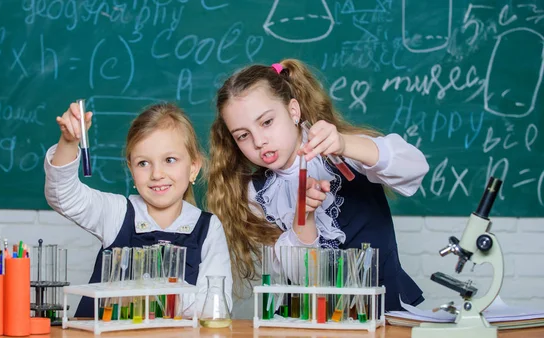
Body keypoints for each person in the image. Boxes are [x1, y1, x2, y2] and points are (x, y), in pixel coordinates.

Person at [207, 59, 429, 311]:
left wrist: (345, 145)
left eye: (267, 122)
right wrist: (305, 216)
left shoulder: (344, 150)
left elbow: (414, 168)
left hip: (382, 310)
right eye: (243, 135)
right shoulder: (255, 194)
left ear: (293, 111)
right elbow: (300, 277)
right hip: (307, 317)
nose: (259, 141)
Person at [44, 102, 232, 318]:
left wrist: (151, 295)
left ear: (193, 168)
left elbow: (216, 306)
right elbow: (63, 196)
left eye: (170, 160)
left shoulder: (208, 228)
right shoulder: (117, 213)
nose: (157, 174)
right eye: (143, 163)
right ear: (131, 169)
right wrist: (69, 143)